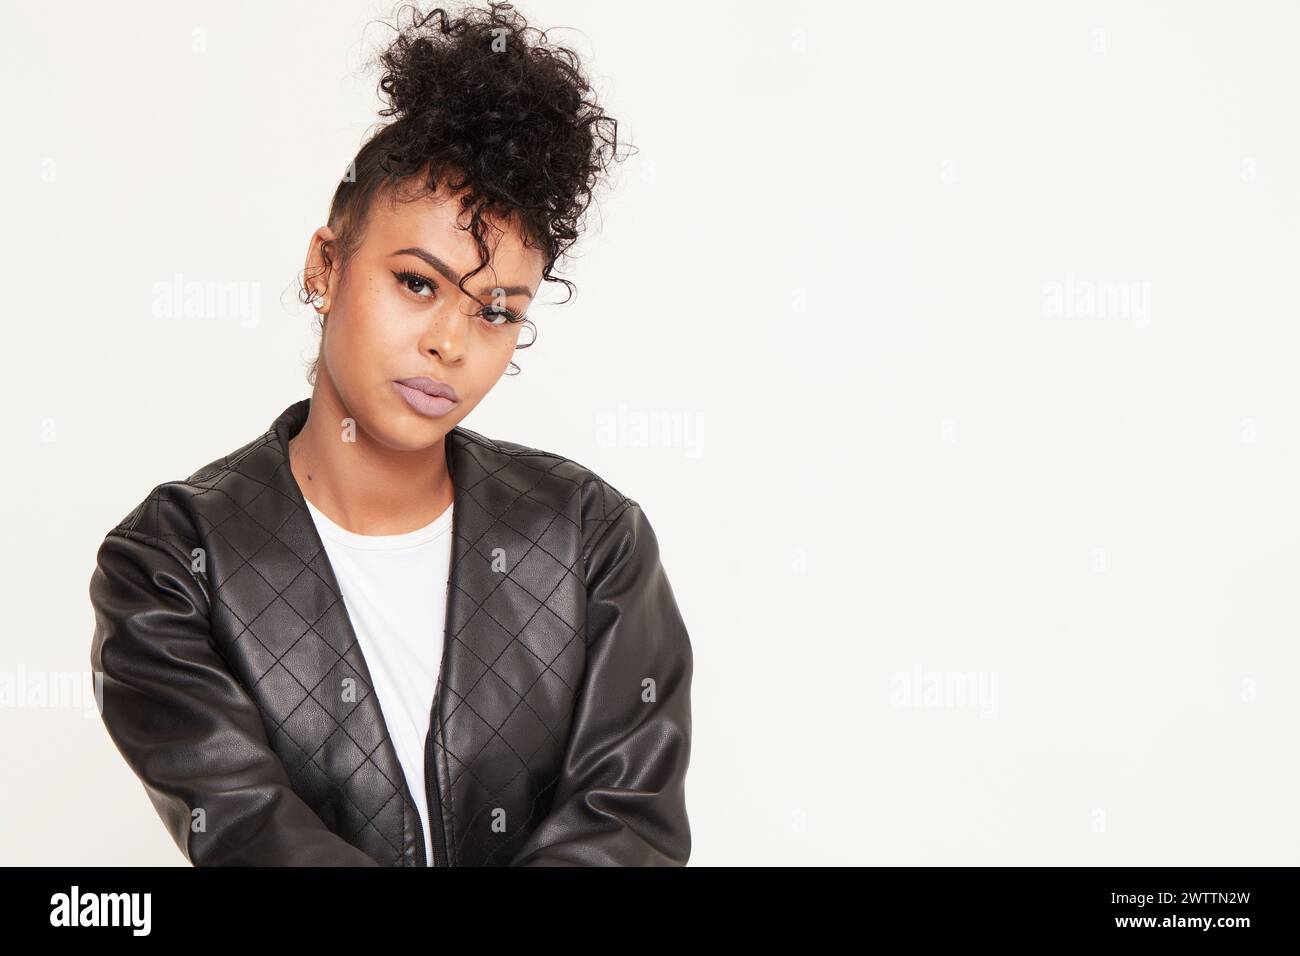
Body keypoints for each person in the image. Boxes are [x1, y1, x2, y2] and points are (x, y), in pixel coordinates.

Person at [87, 1, 692, 867]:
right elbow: (256, 837)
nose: (452, 342)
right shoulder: (169, 566)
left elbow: (625, 828)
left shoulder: (591, 539)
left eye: (496, 311)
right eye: (417, 283)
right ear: (325, 267)